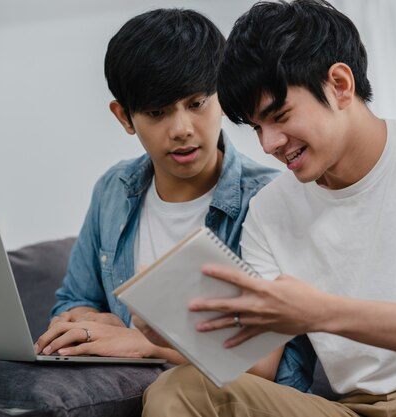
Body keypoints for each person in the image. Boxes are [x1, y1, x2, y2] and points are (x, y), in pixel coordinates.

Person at [141, 0, 396, 416]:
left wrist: (323, 313)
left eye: (279, 116)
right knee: (179, 391)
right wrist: (176, 335)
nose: (269, 144)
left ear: (339, 84)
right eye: (257, 128)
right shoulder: (269, 211)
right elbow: (260, 366)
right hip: (355, 409)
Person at [33, 8, 281, 375]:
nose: (181, 128)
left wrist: (146, 345)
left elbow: (273, 364)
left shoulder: (268, 197)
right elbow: (75, 300)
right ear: (124, 117)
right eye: (156, 112)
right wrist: (92, 324)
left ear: (224, 98)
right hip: (126, 388)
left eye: (197, 104)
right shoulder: (113, 190)